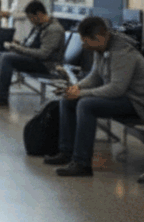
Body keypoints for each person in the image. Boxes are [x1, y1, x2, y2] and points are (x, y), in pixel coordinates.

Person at [45, 17, 144, 177]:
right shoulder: (102, 48)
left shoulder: (123, 53)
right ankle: (66, 152)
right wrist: (76, 88)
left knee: (86, 104)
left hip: (136, 102)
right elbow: (95, 76)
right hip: (122, 98)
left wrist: (81, 93)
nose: (83, 45)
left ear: (98, 38)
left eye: (85, 41)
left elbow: (116, 89)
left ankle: (82, 163)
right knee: (68, 100)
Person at [0, 1, 65, 108]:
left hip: (46, 65)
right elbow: (30, 45)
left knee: (6, 58)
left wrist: (19, 49)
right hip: (34, 60)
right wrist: (17, 46)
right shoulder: (40, 26)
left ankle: (1, 99)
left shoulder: (53, 29)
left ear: (39, 14)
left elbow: (44, 54)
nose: (30, 21)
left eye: (31, 17)